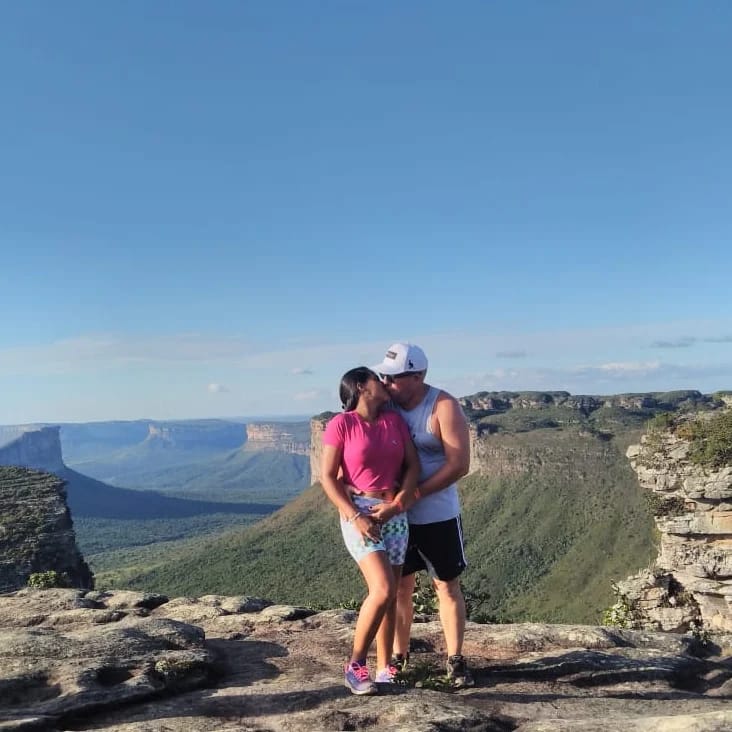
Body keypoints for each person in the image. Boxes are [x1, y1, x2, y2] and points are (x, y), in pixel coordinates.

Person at [370, 342, 474, 687]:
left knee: (446, 585)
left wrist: (415, 494)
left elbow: (459, 464)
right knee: (400, 587)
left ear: (418, 376)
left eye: (395, 377)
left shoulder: (443, 406)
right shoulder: (386, 405)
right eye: (384, 375)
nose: (386, 382)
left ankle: (455, 658)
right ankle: (399, 655)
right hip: (397, 516)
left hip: (437, 513)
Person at [320, 366, 420, 695]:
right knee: (382, 589)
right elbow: (328, 477)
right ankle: (356, 664)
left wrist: (401, 501)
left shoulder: (393, 421)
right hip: (360, 512)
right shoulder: (342, 424)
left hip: (393, 512)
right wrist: (354, 515)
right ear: (362, 387)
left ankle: (385, 668)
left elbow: (412, 466)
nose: (385, 383)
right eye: (378, 379)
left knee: (391, 596)